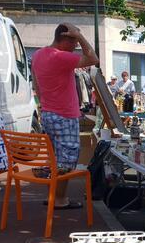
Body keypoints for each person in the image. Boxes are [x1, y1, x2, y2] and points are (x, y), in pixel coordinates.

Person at [30, 22, 99, 209]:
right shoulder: (61, 57)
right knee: (65, 162)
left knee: (55, 159)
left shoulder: (37, 55)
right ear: (65, 39)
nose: (76, 47)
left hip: (48, 113)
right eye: (74, 42)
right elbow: (93, 58)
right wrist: (80, 35)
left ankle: (54, 195)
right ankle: (59, 199)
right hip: (64, 115)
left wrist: (44, 105)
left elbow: (36, 84)